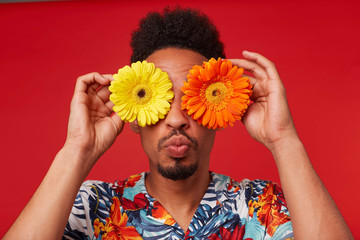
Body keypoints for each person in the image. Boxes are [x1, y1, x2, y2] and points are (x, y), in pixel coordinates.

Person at [4, 7, 353, 240]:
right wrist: (76, 150)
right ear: (133, 116)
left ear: (221, 113)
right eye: (161, 101)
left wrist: (283, 139)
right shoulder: (90, 205)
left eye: (191, 100)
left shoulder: (263, 205)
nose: (176, 120)